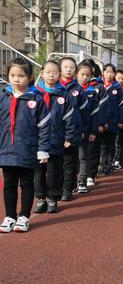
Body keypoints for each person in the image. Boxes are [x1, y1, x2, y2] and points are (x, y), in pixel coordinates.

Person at [0, 58, 51, 233]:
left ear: (30, 77)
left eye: (20, 76)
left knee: (27, 183)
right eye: (12, 75)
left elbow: (45, 126)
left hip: (28, 149)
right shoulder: (3, 97)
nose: (16, 79)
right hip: (7, 149)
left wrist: (43, 149)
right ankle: (10, 216)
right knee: (9, 183)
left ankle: (23, 216)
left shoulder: (36, 99)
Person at [34, 60, 76, 213]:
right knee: (38, 172)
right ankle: (41, 198)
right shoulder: (35, 94)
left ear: (59, 74)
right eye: (48, 72)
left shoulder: (64, 95)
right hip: (37, 141)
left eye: (54, 72)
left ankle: (53, 198)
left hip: (56, 140)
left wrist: (69, 137)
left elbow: (71, 118)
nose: (51, 75)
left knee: (54, 171)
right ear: (42, 74)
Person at [59, 57, 85, 201]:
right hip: (56, 132)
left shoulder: (78, 89)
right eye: (65, 67)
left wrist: (83, 130)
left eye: (71, 67)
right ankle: (57, 187)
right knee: (57, 163)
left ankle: (67, 189)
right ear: (60, 69)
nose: (68, 70)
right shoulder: (54, 87)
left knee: (70, 161)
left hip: (73, 131)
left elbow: (84, 111)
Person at [76, 61, 102, 194]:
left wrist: (93, 131)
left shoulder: (92, 92)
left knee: (83, 156)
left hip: (86, 130)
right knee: (70, 159)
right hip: (72, 131)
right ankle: (70, 182)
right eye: (82, 74)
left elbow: (95, 113)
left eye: (87, 75)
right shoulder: (70, 91)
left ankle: (82, 181)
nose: (84, 77)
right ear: (76, 74)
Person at [99, 64, 123, 176]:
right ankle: (102, 165)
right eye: (107, 72)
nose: (109, 74)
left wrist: (120, 120)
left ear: (114, 74)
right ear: (103, 73)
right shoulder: (99, 86)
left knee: (111, 144)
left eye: (111, 72)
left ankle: (109, 165)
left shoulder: (117, 88)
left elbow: (121, 106)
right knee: (102, 145)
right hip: (100, 121)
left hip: (113, 121)